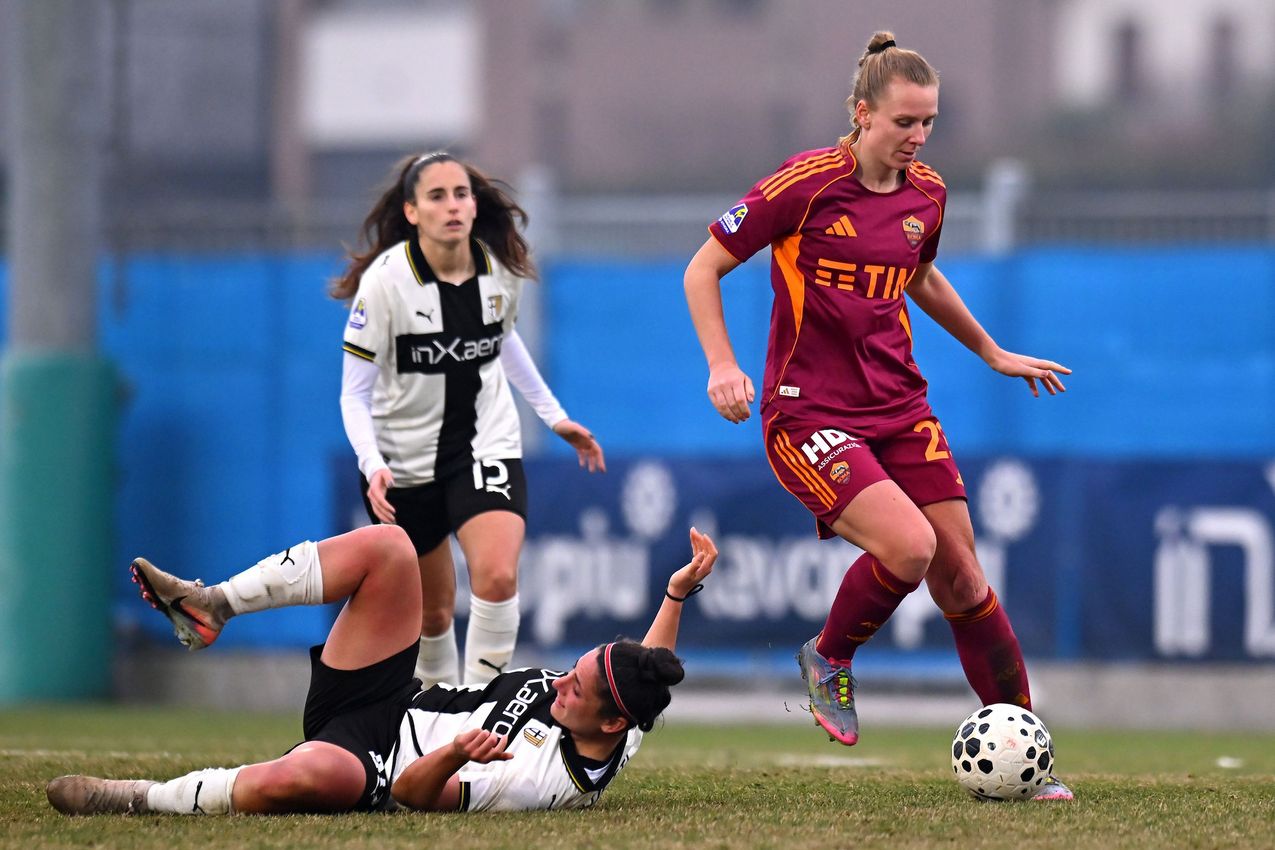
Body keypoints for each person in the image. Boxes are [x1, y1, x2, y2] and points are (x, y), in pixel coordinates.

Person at [682, 31, 1073, 800]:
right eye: (903, 122)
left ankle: (1027, 760)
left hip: (899, 405)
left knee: (960, 578)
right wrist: (722, 365)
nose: (917, 137)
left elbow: (921, 276)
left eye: (927, 122)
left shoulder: (927, 192)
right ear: (861, 114)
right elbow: (704, 267)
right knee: (911, 547)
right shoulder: (805, 184)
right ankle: (828, 657)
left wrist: (990, 351)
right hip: (807, 411)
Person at [46, 524, 717, 816]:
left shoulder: (535, 782)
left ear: (607, 720)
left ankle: (136, 796)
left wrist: (454, 753)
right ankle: (213, 605)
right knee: (389, 547)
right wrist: (676, 593)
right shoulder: (624, 718)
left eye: (574, 688)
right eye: (569, 671)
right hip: (389, 690)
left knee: (308, 774)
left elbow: (411, 798)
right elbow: (649, 673)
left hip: (376, 761)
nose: (558, 684)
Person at [331, 151, 605, 688]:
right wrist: (373, 462)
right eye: (437, 196)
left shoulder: (500, 268)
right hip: (403, 461)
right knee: (432, 615)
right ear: (411, 212)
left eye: (461, 194)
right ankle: (435, 715)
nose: (453, 206)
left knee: (498, 576)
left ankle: (481, 708)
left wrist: (555, 418)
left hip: (486, 445)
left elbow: (502, 342)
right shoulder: (385, 285)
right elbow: (353, 395)